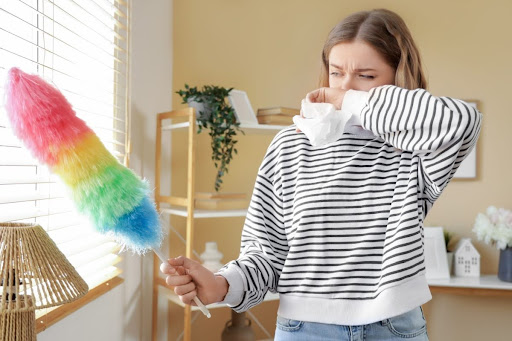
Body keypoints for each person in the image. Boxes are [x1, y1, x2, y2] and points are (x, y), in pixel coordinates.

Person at [161, 8, 482, 340]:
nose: (344, 87)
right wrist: (221, 284)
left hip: (395, 328)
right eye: (336, 73)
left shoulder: (414, 151)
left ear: (397, 78)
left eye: (366, 76)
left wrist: (351, 101)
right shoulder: (289, 146)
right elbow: (266, 254)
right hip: (305, 330)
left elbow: (463, 121)